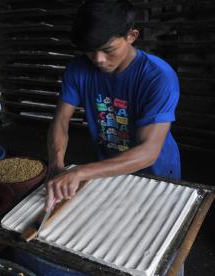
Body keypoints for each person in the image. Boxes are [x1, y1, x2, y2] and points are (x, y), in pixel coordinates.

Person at [46, 0, 181, 208]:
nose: (98, 59)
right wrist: (56, 165)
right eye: (90, 51)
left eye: (108, 49)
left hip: (156, 173)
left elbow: (149, 151)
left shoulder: (158, 78)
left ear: (131, 36)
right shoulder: (78, 69)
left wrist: (81, 172)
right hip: (106, 168)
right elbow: (61, 120)